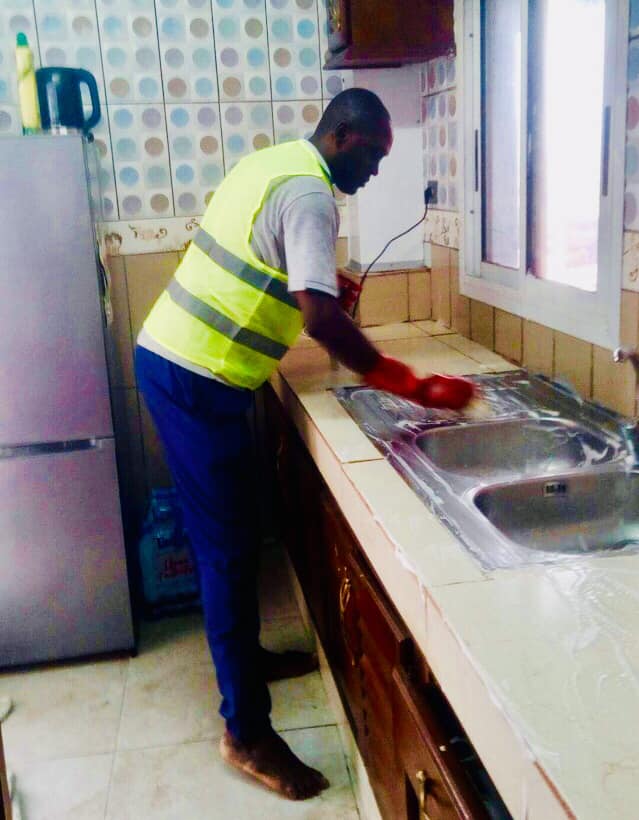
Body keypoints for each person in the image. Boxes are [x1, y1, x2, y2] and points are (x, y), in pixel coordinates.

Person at [135, 88, 474, 802]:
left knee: (234, 535)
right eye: (373, 155)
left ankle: (247, 662)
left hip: (187, 366)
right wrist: (404, 380)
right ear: (343, 135)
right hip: (195, 376)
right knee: (227, 552)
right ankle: (246, 734)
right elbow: (319, 318)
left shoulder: (275, 164)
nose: (375, 172)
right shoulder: (311, 194)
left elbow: (260, 262)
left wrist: (317, 283)